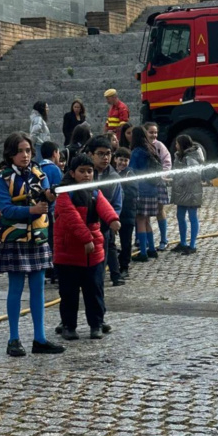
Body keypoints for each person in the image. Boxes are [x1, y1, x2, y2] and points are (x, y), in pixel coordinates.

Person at [0, 132, 65, 357]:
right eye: (19, 151)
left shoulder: (40, 174)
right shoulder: (2, 179)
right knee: (15, 289)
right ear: (10, 154)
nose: (24, 155)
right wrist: (31, 210)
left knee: (38, 289)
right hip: (15, 239)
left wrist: (49, 200)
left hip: (38, 238)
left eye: (27, 151)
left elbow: (47, 207)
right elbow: (6, 209)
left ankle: (39, 339)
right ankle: (13, 339)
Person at [53, 153, 120, 340]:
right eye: (82, 171)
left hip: (93, 255)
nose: (86, 175)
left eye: (89, 171)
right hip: (68, 254)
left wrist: (113, 219)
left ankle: (96, 324)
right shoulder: (64, 194)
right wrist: (86, 239)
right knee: (69, 294)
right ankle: (68, 326)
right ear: (73, 173)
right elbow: (71, 219)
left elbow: (105, 207)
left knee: (95, 291)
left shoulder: (95, 192)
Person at [86, 135, 124, 286]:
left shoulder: (113, 176)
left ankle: (100, 283)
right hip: (86, 224)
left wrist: (112, 219)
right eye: (100, 154)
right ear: (91, 155)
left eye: (108, 153)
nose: (105, 158)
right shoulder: (85, 173)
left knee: (104, 255)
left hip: (104, 226)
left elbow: (117, 202)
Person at [130, 126, 163, 261]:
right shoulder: (151, 149)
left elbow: (131, 170)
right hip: (153, 189)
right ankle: (152, 249)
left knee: (140, 220)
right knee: (147, 220)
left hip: (141, 190)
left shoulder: (136, 152)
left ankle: (143, 252)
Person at [170, 134, 204, 254]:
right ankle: (183, 242)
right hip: (182, 191)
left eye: (177, 144)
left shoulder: (191, 157)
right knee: (180, 216)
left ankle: (192, 244)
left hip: (191, 191)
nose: (176, 146)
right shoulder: (179, 156)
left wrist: (179, 181)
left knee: (192, 217)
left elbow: (194, 173)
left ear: (182, 145)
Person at [144, 121, 172, 250]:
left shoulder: (160, 146)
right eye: (151, 132)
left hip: (159, 182)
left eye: (155, 132)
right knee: (146, 213)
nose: (154, 135)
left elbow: (167, 162)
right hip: (145, 184)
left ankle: (164, 239)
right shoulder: (142, 146)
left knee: (160, 210)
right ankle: (148, 240)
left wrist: (162, 175)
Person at [40, 141, 63, 283]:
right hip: (52, 210)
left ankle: (45, 269)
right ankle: (54, 270)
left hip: (39, 211)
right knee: (53, 241)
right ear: (55, 153)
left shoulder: (37, 168)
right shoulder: (55, 170)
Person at [114, 147, 138, 277]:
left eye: (126, 160)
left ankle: (124, 267)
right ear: (115, 159)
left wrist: (120, 192)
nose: (123, 163)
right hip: (114, 213)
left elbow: (133, 193)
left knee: (126, 242)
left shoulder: (130, 175)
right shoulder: (111, 173)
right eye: (121, 159)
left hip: (127, 213)